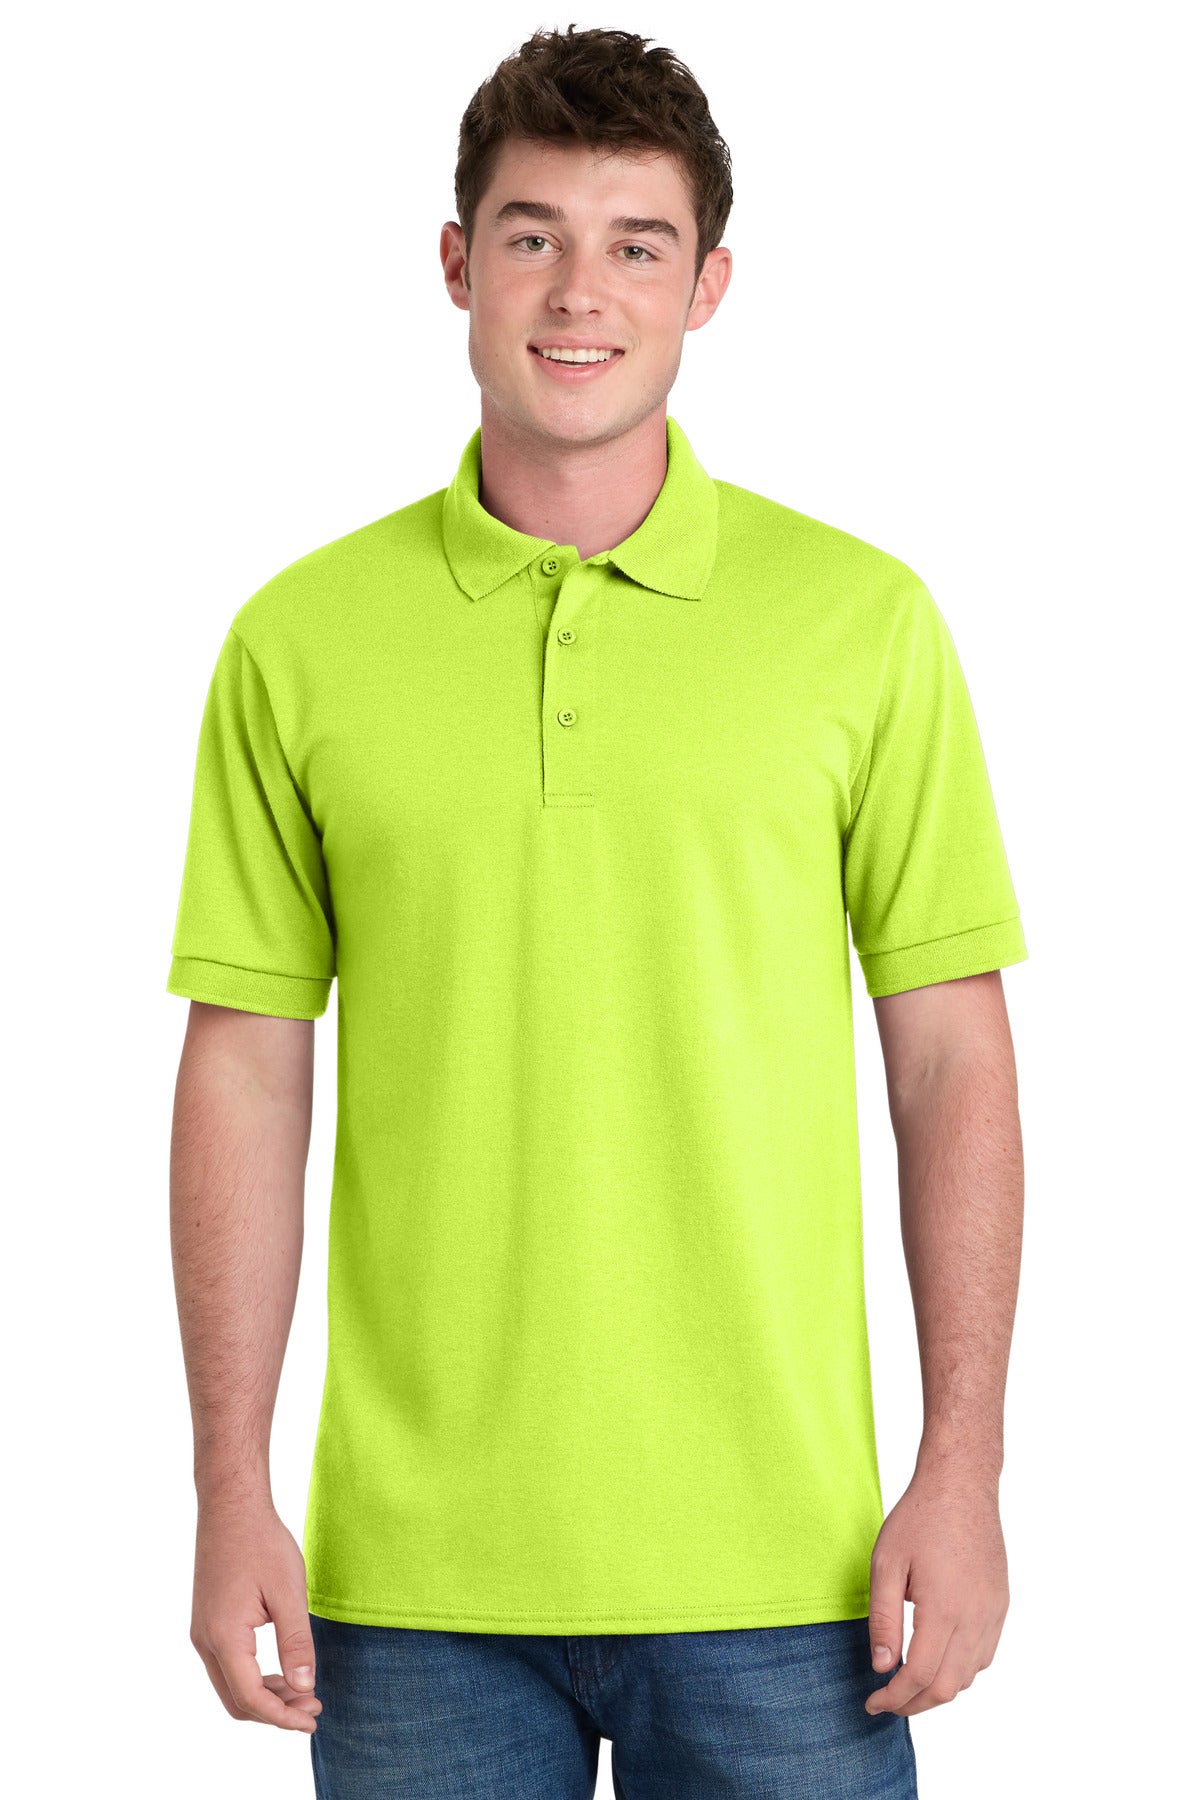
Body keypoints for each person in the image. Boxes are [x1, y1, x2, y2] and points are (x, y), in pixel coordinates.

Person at [167, 23, 1027, 1799]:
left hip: (793, 1578)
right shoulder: (298, 640)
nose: (580, 292)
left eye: (637, 244)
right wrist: (225, 1485)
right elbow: (245, 1066)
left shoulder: (863, 624)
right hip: (410, 1591)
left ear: (709, 286)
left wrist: (966, 1466)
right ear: (455, 263)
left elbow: (951, 1059)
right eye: (533, 234)